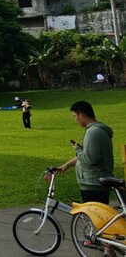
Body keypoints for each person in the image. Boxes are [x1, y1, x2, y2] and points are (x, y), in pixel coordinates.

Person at [57, 101, 114, 257]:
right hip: (94, 181)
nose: (75, 120)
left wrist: (78, 150)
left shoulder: (93, 132)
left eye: (75, 116)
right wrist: (66, 165)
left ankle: (108, 250)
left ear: (82, 115)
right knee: (101, 218)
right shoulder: (95, 131)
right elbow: (86, 156)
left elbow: (89, 158)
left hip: (93, 183)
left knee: (101, 219)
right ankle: (108, 249)